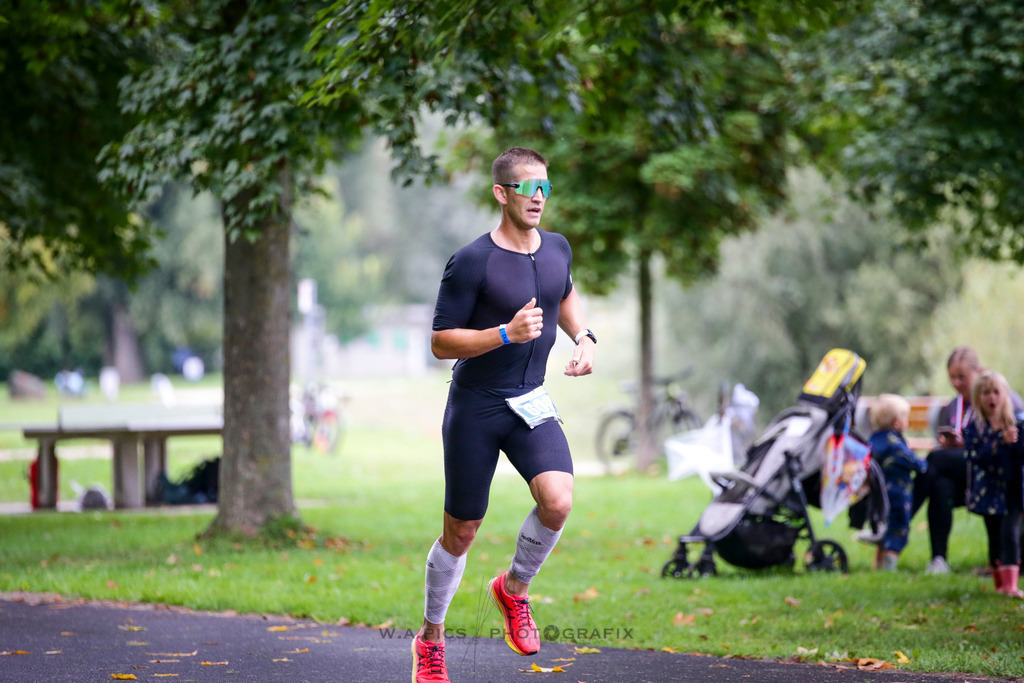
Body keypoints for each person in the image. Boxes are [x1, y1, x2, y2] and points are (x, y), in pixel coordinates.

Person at [411, 147, 596, 682]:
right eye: (526, 188)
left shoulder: (557, 248)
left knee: (558, 501)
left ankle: (513, 590)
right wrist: (503, 335)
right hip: (476, 405)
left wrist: (581, 336)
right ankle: (430, 639)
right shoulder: (473, 260)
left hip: (530, 400)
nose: (538, 197)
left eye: (545, 187)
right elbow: (441, 342)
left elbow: (564, 292)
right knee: (461, 531)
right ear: (501, 193)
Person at [911, 347, 1023, 574]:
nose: (956, 382)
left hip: (996, 471)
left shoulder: (1003, 398)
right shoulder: (953, 406)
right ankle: (939, 560)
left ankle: (902, 519)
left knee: (934, 459)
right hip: (969, 473)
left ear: (978, 371)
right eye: (952, 377)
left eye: (962, 376)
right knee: (941, 485)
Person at [962, 370, 1024, 597]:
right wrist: (999, 441)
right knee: (995, 535)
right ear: (978, 398)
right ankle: (1000, 583)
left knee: (1010, 533)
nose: (992, 397)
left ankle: (1011, 586)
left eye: (996, 392)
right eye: (986, 393)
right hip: (988, 492)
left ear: (1005, 395)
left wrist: (1016, 441)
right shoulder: (974, 429)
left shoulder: (1017, 424)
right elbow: (974, 456)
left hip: (1014, 490)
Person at [863, 394, 927, 570]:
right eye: (905, 417)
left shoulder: (872, 441)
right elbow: (915, 463)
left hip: (878, 497)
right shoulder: (896, 445)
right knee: (898, 529)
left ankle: (877, 565)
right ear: (897, 423)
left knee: (884, 529)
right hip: (898, 494)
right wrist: (925, 462)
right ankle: (890, 566)